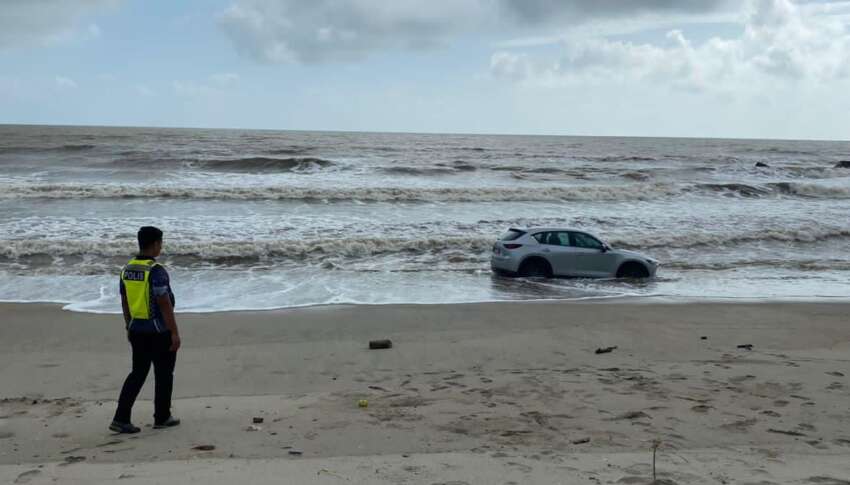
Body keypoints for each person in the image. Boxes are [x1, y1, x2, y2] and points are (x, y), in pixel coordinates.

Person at [109, 226, 181, 434]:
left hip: (136, 329)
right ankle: (162, 416)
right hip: (159, 331)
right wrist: (174, 332)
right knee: (164, 373)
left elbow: (125, 300)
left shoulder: (127, 269)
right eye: (161, 243)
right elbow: (164, 302)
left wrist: (128, 324)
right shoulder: (156, 271)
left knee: (138, 373)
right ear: (156, 244)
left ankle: (121, 417)